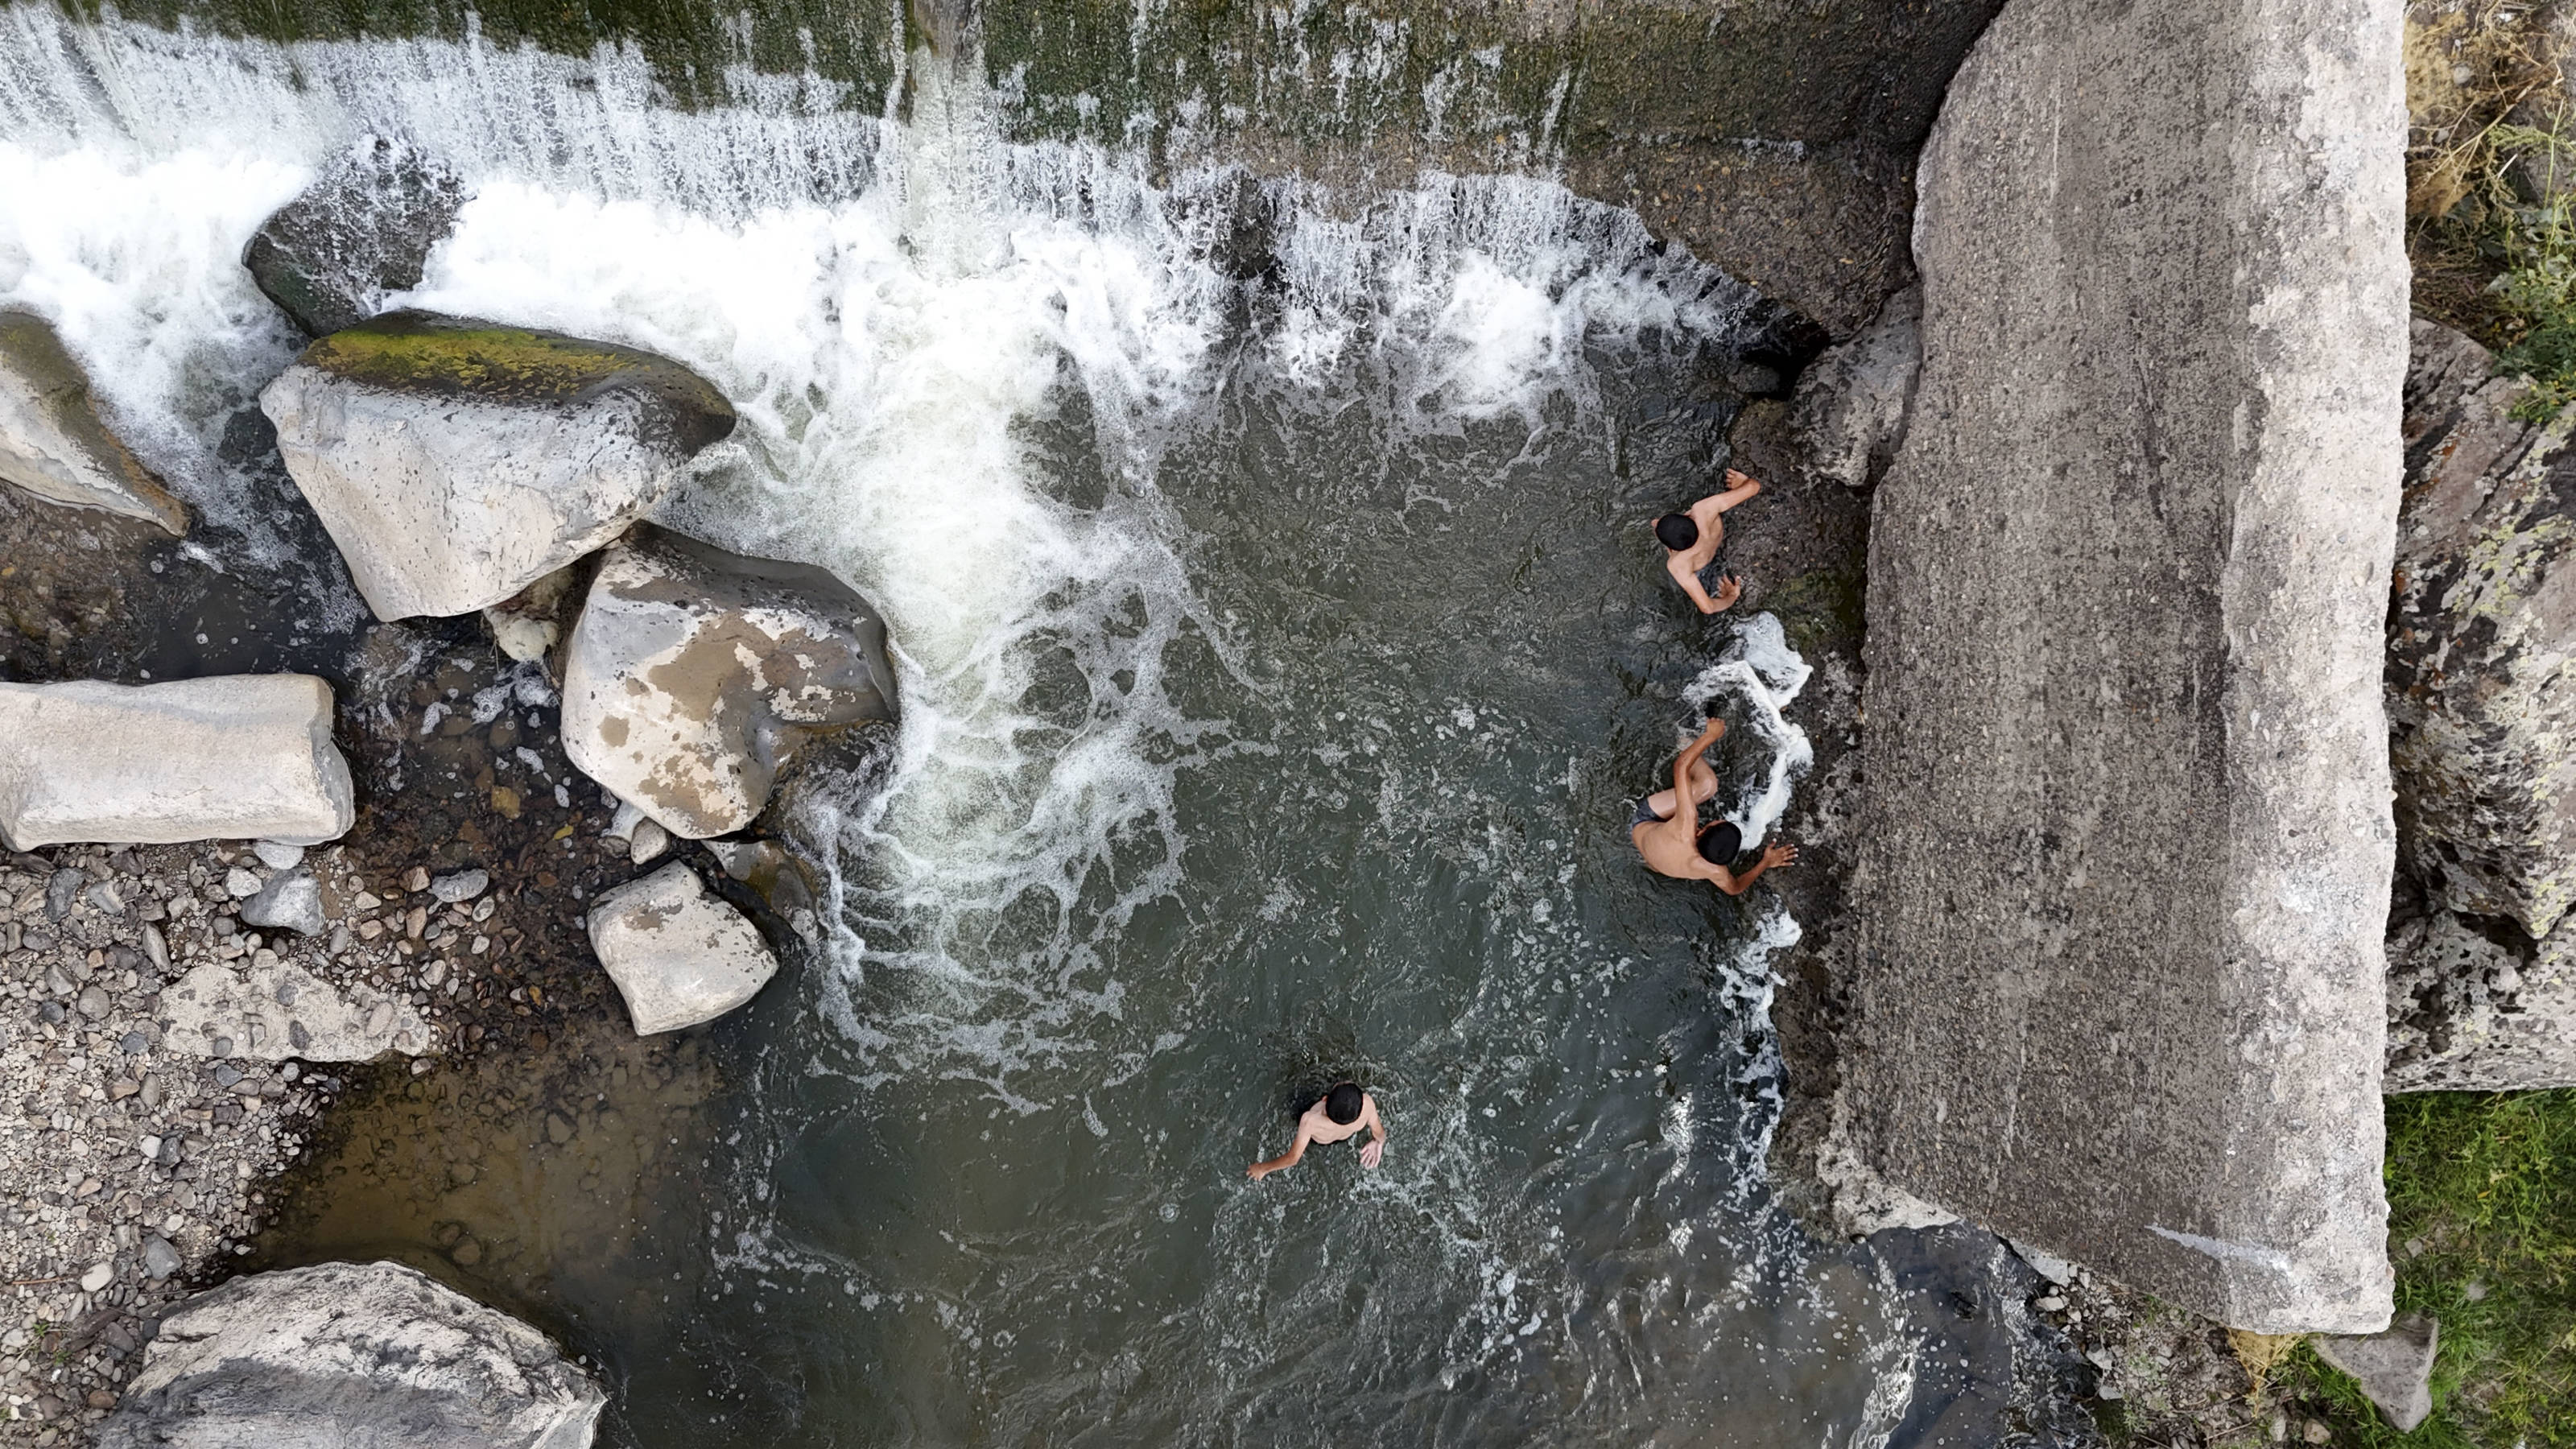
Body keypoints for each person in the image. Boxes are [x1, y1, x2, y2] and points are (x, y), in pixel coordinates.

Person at [1630, 713, 1798, 894]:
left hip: (1643, 823)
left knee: (1708, 786)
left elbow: (1681, 767)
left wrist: (1711, 735)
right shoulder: (1715, 871)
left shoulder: (1686, 825)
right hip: (1656, 863)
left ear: (1700, 831)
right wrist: (1766, 862)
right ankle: (1651, 861)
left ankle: (1682, 737)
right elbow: (1734, 889)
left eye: (1715, 822)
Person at [1653, 467, 1766, 614]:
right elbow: (1754, 486)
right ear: (1688, 517)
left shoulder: (1678, 564)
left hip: (1704, 567)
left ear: (1671, 548)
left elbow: (1708, 608)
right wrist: (1742, 483)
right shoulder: (1703, 510)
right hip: (1719, 537)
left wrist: (1732, 596)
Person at [1247, 1082, 1386, 1179]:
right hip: (1342, 1137)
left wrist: (1263, 1168)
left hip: (1318, 1139)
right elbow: (1379, 1133)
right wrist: (1378, 1143)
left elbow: (1293, 1158)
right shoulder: (1368, 1105)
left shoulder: (1310, 1121)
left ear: (1324, 1099)